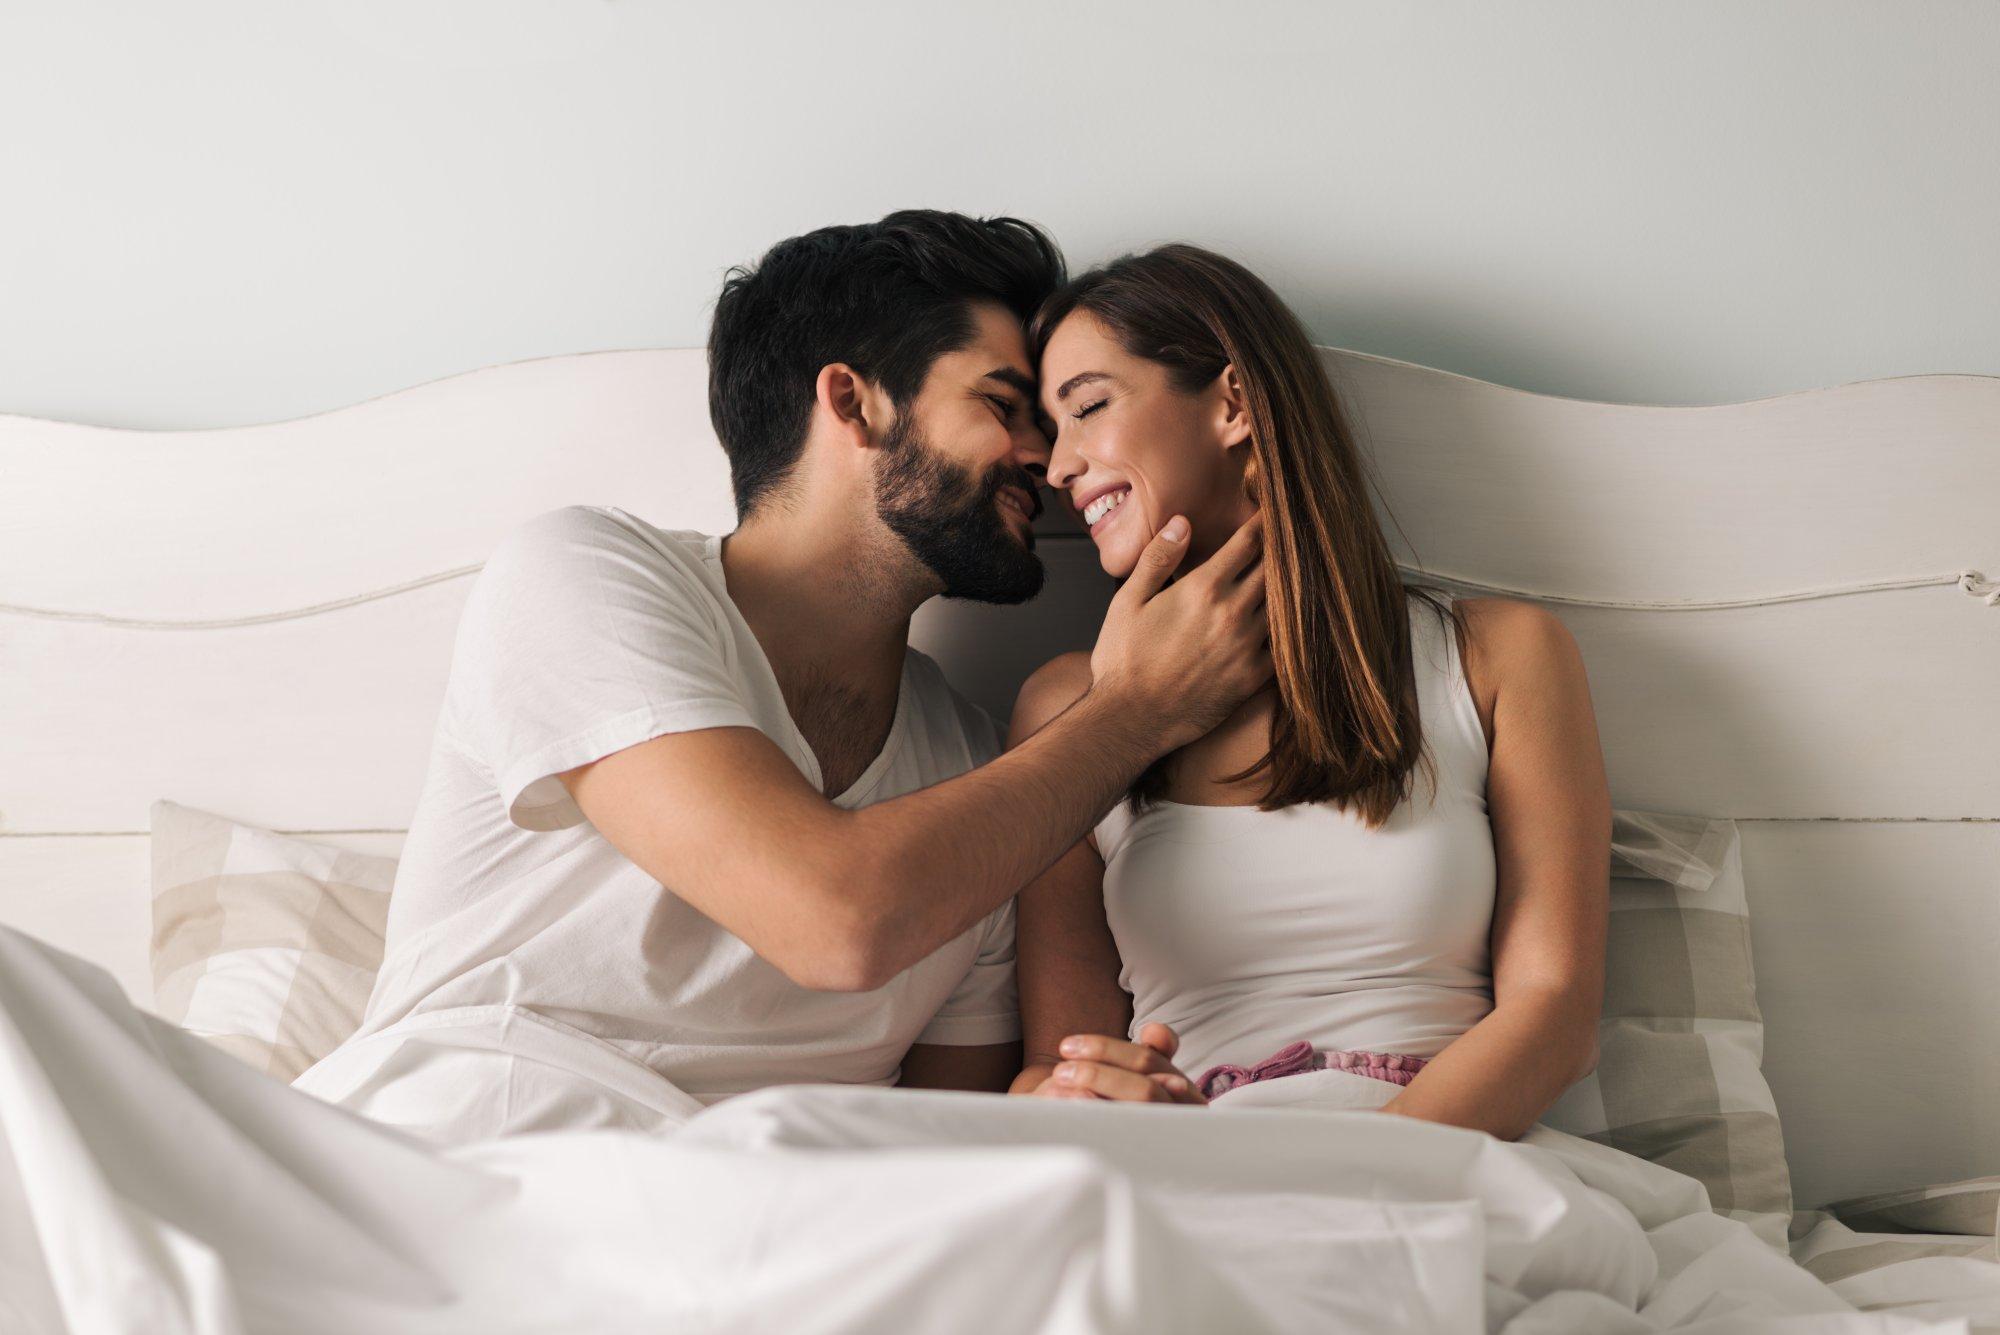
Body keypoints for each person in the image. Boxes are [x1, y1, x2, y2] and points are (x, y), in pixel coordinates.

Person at [291, 212, 1270, 1140]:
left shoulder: (978, 778)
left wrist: (1066, 1108)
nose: (1047, 461)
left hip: (773, 1234)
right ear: (852, 400)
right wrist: (1136, 709)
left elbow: (950, 1139)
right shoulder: (583, 574)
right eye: (1003, 408)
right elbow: (834, 919)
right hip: (477, 1147)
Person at [1007, 245, 1613, 1142]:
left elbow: (1555, 1016)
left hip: (1444, 1166)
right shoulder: (1066, 706)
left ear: (1235, 402)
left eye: (1087, 407)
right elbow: (1055, 1063)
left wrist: (1350, 1184)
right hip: (1193, 1177)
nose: (1056, 467)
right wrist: (1066, 1098)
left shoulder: (1496, 656)